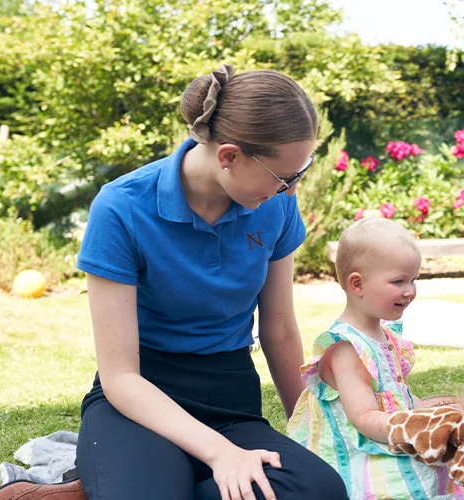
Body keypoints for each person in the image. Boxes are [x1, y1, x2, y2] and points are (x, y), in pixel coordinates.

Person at [72, 64, 348, 500]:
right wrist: (220, 454)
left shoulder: (274, 207)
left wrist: (311, 431)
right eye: (284, 178)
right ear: (229, 156)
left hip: (229, 399)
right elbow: (121, 377)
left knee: (320, 490)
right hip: (138, 400)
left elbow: (278, 331)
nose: (291, 191)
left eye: (301, 173)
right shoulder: (121, 207)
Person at [286, 217, 464, 499]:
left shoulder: (385, 334)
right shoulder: (347, 347)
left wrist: (432, 416)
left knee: (443, 466)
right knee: (400, 486)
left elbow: (398, 394)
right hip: (364, 448)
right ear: (357, 284)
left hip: (392, 432)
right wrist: (416, 430)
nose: (410, 291)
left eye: (414, 279)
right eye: (399, 281)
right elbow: (364, 417)